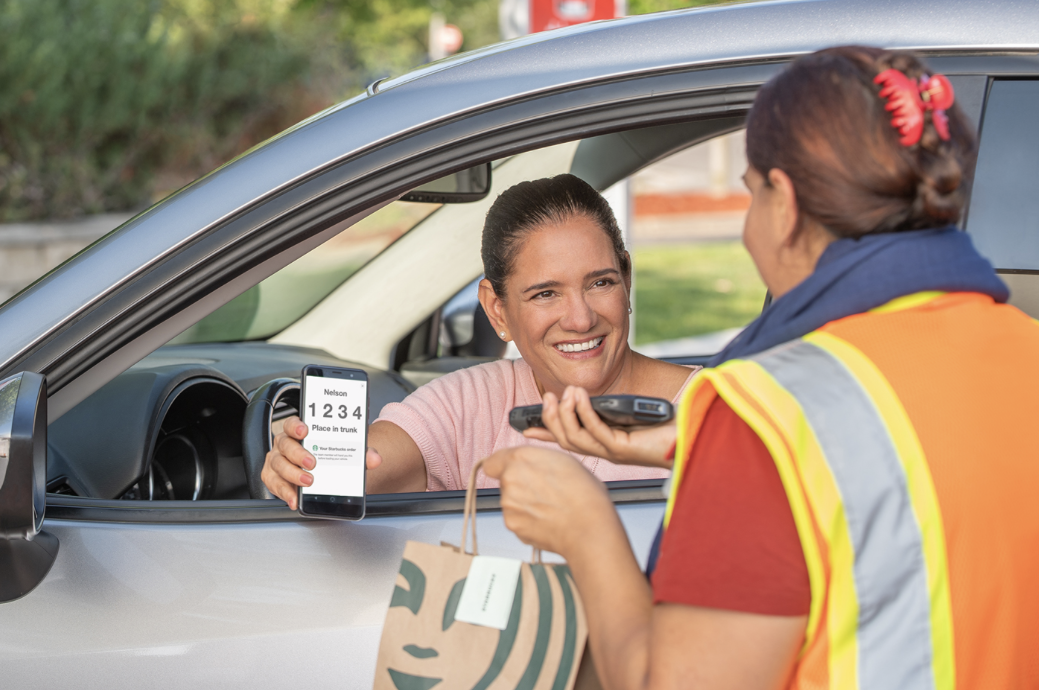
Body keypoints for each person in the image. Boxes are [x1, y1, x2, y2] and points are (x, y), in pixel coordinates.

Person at [481, 46, 1039, 689]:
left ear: (787, 202)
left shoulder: (769, 415)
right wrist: (701, 447)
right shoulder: (1021, 349)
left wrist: (587, 528)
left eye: (751, 196)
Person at [261, 174, 697, 509]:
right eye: (546, 293)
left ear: (626, 277)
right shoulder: (473, 402)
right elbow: (370, 466)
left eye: (600, 283)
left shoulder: (721, 407)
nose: (581, 318)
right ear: (497, 310)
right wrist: (305, 466)